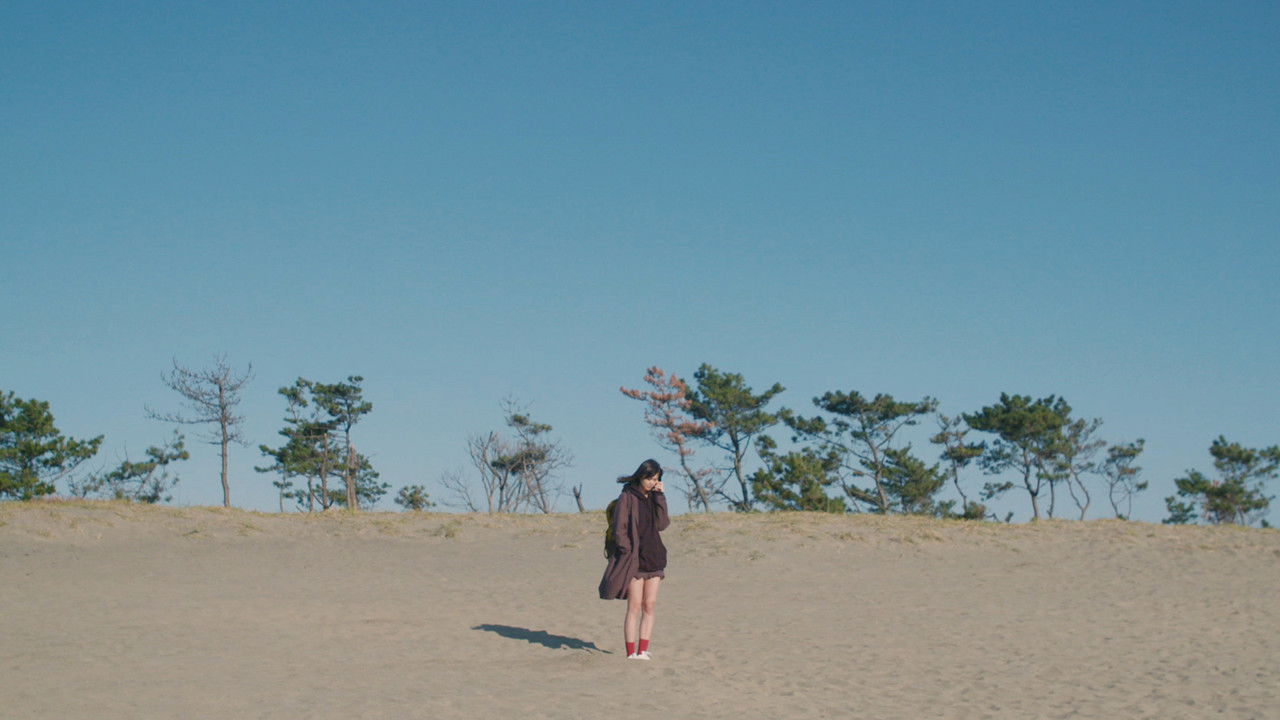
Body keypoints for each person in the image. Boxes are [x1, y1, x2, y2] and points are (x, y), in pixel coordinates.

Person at [598, 459, 670, 660]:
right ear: (640, 476)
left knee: (650, 605)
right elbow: (619, 528)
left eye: (655, 479)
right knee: (635, 606)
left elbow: (663, 524)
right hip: (635, 560)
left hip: (654, 557)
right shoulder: (627, 497)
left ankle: (643, 649)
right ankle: (631, 652)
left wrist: (660, 496)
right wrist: (627, 550)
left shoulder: (654, 496)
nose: (652, 482)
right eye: (649, 478)